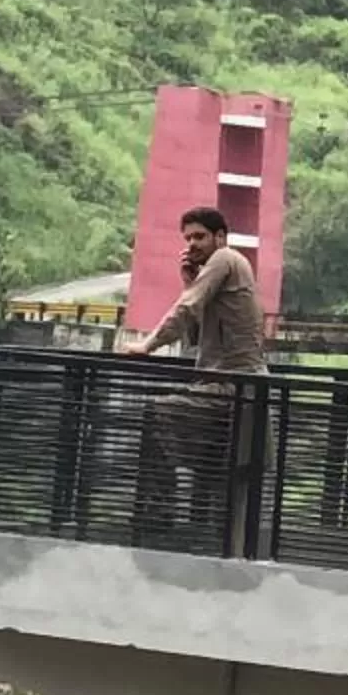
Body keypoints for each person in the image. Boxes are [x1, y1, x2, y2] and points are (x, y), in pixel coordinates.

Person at [124, 207, 267, 548]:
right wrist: (190, 281)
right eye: (187, 238)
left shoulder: (225, 258)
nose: (192, 244)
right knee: (218, 470)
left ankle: (159, 515)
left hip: (233, 385)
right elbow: (198, 330)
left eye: (199, 236)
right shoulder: (225, 268)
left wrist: (148, 344)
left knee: (157, 413)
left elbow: (186, 309)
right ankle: (203, 533)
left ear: (220, 237)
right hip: (233, 387)